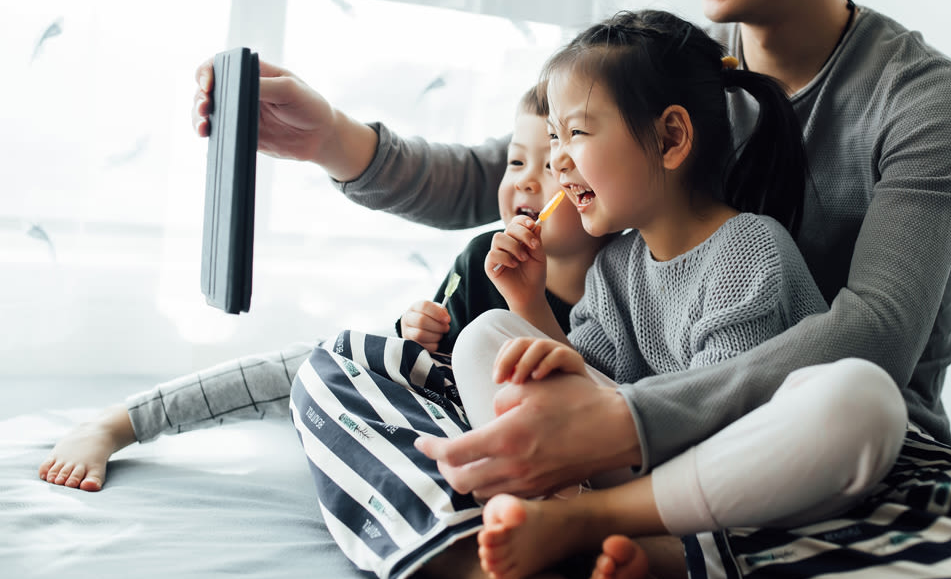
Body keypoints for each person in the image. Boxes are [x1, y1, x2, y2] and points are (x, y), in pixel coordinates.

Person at [189, 0, 951, 579]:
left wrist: (620, 421)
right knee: (370, 357)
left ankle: (597, 526)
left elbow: (880, 330)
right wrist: (330, 138)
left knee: (862, 399)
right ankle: (495, 554)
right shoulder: (677, 73)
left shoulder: (923, 95)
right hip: (641, 431)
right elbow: (513, 178)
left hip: (829, 447)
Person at [444, 9, 902, 579]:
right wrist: (529, 306)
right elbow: (585, 399)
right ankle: (573, 512)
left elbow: (713, 419)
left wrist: (600, 415)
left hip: (741, 471)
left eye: (576, 134)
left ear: (670, 138)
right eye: (554, 136)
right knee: (484, 335)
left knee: (860, 399)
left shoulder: (747, 249)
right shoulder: (616, 266)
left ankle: (615, 531)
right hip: (644, 467)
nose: (558, 160)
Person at [37, 84, 608, 495]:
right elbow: (428, 362)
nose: (526, 180)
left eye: (556, 166)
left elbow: (599, 398)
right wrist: (422, 330)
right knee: (322, 360)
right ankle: (125, 421)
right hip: (439, 412)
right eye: (514, 161)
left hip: (517, 451)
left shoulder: (617, 283)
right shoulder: (482, 254)